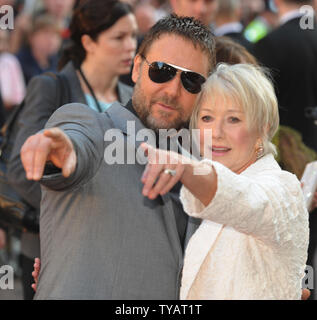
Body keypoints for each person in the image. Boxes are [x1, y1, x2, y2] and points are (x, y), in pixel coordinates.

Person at [18, 14, 215, 300]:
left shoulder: (197, 168)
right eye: (161, 70)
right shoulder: (91, 126)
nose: (173, 90)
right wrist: (61, 151)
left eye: (191, 80)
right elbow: (76, 143)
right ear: (137, 68)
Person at [140, 63, 309, 299]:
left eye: (233, 119)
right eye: (207, 117)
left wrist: (187, 169)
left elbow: (247, 200)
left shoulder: (282, 187)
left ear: (263, 128)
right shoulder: (221, 192)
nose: (216, 132)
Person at [7, 0, 137, 300]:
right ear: (88, 41)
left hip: (113, 249)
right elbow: (20, 168)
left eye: (133, 36)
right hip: (52, 250)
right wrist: (79, 214)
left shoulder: (132, 96)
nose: (130, 46)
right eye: (119, 37)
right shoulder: (52, 86)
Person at [16, 14, 62, 84]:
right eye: (46, 34)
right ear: (31, 37)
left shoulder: (57, 62)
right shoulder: (19, 62)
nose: (51, 40)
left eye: (55, 35)